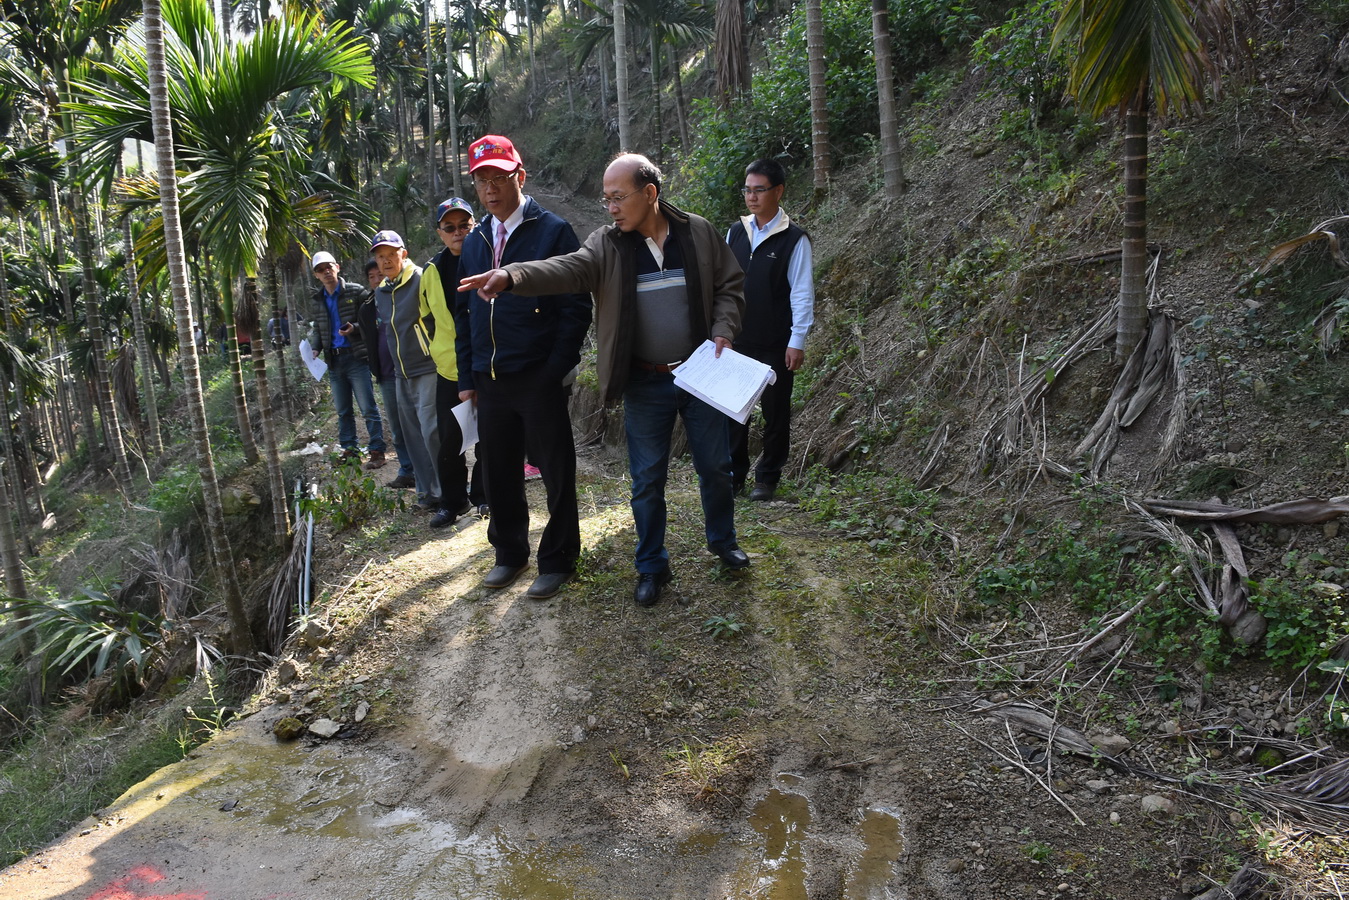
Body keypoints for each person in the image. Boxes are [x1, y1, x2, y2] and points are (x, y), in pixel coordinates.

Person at [460, 153, 749, 609]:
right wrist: (513, 275)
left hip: (701, 375)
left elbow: (730, 286)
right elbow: (566, 268)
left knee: (715, 466)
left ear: (649, 193)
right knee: (646, 478)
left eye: (618, 197)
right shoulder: (607, 245)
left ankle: (723, 541)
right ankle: (651, 565)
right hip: (644, 381)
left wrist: (722, 330)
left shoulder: (698, 233)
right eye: (605, 199)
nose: (610, 207)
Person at [454, 134, 592, 600]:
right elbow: (465, 312)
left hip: (537, 375)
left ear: (520, 176)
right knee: (498, 469)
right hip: (490, 379)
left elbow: (576, 307)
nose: (491, 188)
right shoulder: (474, 239)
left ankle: (558, 557)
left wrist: (554, 368)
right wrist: (469, 374)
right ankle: (509, 553)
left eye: (499, 177)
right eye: (481, 180)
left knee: (554, 467)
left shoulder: (552, 231)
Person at [726, 158, 815, 502]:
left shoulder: (794, 240)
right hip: (737, 339)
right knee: (734, 411)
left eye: (759, 190)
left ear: (778, 191)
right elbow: (722, 283)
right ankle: (734, 475)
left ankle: (768, 478)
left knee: (776, 413)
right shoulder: (736, 232)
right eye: (747, 190)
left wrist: (797, 340)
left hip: (777, 343)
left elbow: (803, 292)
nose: (752, 197)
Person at [420, 197, 488, 528]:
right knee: (450, 439)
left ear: (474, 226)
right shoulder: (432, 270)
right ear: (440, 233)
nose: (458, 232)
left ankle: (484, 495)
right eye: (450, 228)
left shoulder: (489, 255)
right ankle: (453, 501)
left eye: (465, 225)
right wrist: (435, 351)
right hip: (449, 368)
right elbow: (423, 319)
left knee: (490, 433)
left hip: (488, 362)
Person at [371, 231, 441, 509]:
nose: (386, 261)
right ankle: (426, 494)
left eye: (391, 254)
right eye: (380, 257)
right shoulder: (381, 291)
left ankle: (447, 490)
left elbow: (438, 321)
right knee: (411, 436)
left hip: (428, 367)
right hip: (401, 373)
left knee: (431, 432)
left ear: (404, 253)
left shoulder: (421, 279)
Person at [306, 250, 386, 468]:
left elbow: (372, 322)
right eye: (321, 270)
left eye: (329, 267)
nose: (326, 272)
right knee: (343, 410)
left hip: (356, 358)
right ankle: (350, 451)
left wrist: (354, 328)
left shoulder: (355, 291)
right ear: (316, 275)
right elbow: (318, 329)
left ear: (337, 267)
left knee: (368, 407)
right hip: (334, 361)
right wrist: (315, 348)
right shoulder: (317, 300)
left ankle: (377, 451)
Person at [360, 259, 416, 490]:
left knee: (422, 425)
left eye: (379, 274)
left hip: (413, 370)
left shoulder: (403, 296)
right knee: (398, 427)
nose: (376, 280)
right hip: (386, 374)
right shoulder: (367, 307)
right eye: (371, 276)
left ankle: (433, 471)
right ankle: (407, 470)